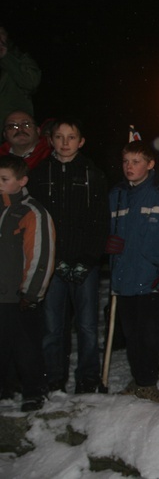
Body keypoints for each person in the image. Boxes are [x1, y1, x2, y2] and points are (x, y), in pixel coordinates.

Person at [26, 118, 109, 394]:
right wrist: (54, 259)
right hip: (52, 263)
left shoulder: (93, 174)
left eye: (71, 137)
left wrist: (89, 258)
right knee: (52, 326)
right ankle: (53, 375)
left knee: (86, 325)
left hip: (85, 263)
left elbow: (100, 221)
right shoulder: (39, 174)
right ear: (50, 140)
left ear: (81, 141)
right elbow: (37, 222)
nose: (65, 143)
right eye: (59, 137)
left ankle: (87, 376)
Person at [107, 140, 159, 403]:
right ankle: (139, 377)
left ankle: (148, 382)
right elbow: (112, 233)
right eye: (125, 162)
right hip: (125, 278)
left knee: (148, 332)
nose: (129, 167)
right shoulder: (117, 194)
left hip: (152, 277)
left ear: (150, 164)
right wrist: (109, 245)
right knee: (131, 332)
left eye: (136, 162)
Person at [0, 155, 55, 412]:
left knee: (26, 346)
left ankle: (34, 391)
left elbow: (41, 254)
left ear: (22, 181)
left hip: (20, 294)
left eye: (4, 179)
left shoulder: (32, 212)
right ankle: (5, 387)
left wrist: (31, 292)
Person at [0, 26, 41, 124]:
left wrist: (5, 57)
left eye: (1, 33)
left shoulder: (20, 58)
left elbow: (31, 82)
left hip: (13, 129)